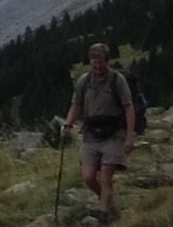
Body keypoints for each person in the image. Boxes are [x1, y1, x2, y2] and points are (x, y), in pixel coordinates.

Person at [60, 42, 143, 217]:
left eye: (101, 63)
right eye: (94, 63)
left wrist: (130, 136)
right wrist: (68, 123)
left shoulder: (117, 80)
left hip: (114, 132)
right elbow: (76, 105)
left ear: (108, 61)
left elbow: (129, 108)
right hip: (91, 132)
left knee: (105, 176)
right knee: (89, 177)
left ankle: (104, 213)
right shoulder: (84, 81)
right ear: (90, 61)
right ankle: (107, 201)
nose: (98, 67)